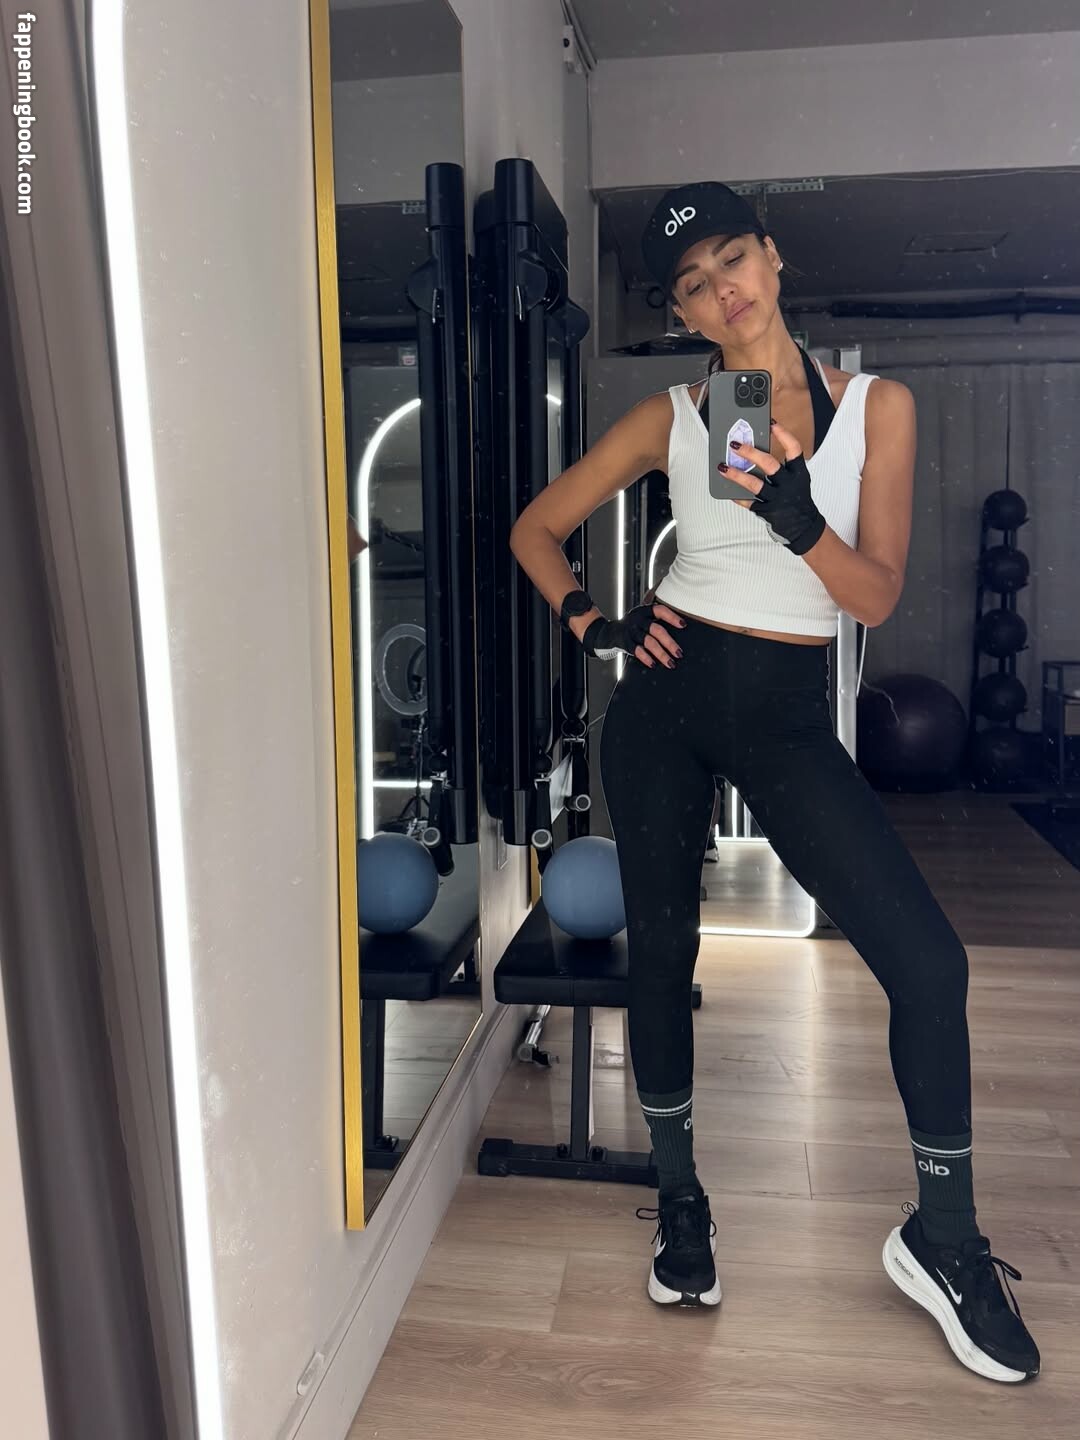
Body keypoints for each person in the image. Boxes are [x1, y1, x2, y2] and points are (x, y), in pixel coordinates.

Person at [508, 182, 1039, 1383]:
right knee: (662, 956)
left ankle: (943, 1238)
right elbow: (536, 528)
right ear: (685, 313)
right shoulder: (673, 418)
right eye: (693, 285)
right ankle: (681, 1202)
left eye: (732, 259)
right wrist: (596, 622)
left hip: (792, 722)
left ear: (774, 257)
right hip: (664, 709)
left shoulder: (878, 409)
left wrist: (799, 517)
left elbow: (874, 597)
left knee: (930, 966)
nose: (721, 292)